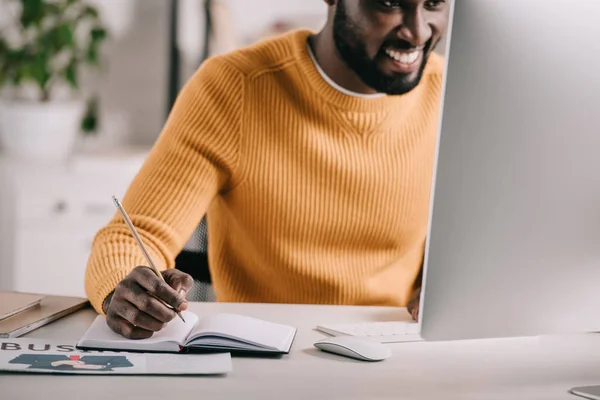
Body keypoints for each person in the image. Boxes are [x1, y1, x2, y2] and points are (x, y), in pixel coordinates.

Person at [84, 0, 451, 339]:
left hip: (394, 351)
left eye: (434, 3)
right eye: (389, 3)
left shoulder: (455, 94)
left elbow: (474, 247)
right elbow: (133, 234)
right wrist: (126, 289)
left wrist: (448, 290)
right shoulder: (233, 87)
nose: (417, 31)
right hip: (261, 352)